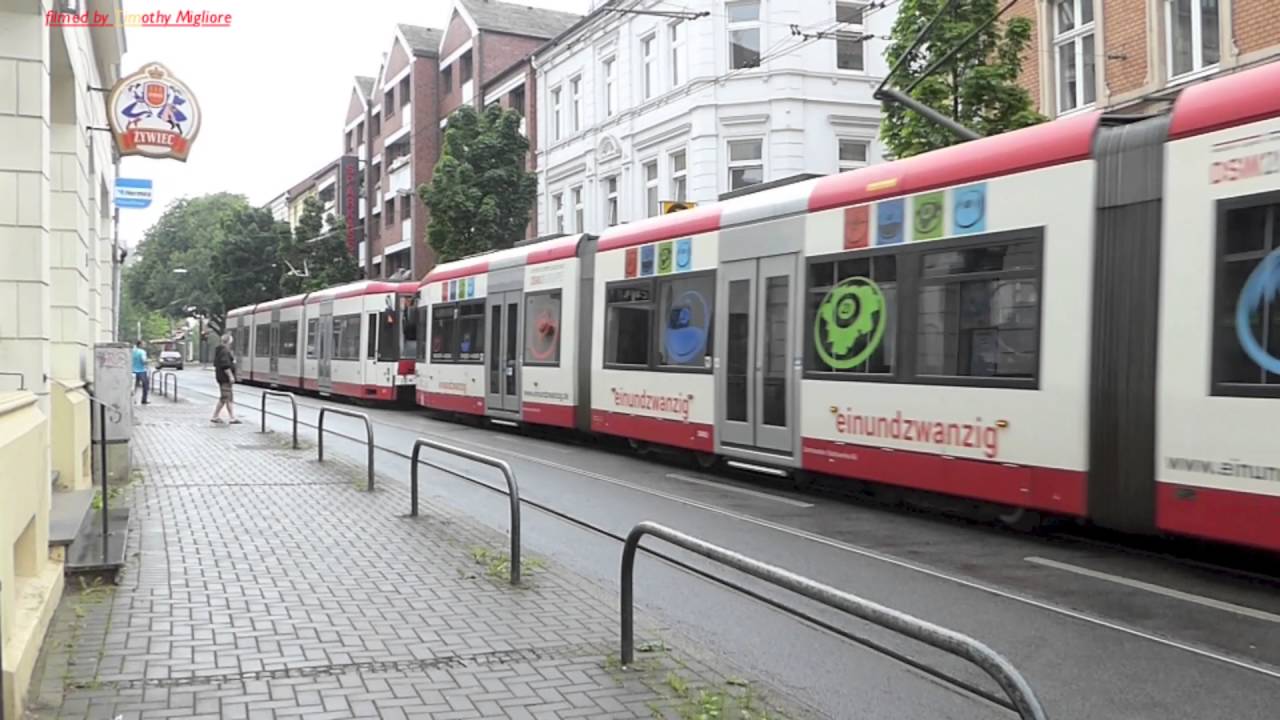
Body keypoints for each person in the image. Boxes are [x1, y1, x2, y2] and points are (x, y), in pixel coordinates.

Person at [211, 333, 241, 424]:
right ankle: (215, 416)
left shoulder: (220, 350)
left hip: (221, 377)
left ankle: (231, 417)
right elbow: (225, 365)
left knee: (228, 397)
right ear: (229, 341)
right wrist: (231, 376)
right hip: (225, 379)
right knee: (225, 397)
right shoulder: (224, 351)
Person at [131, 340, 149, 404]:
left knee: (134, 386)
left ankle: (133, 400)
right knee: (145, 386)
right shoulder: (142, 352)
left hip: (133, 370)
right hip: (142, 371)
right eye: (143, 344)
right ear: (140, 345)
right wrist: (147, 362)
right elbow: (143, 360)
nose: (144, 345)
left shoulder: (132, 351)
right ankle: (144, 400)